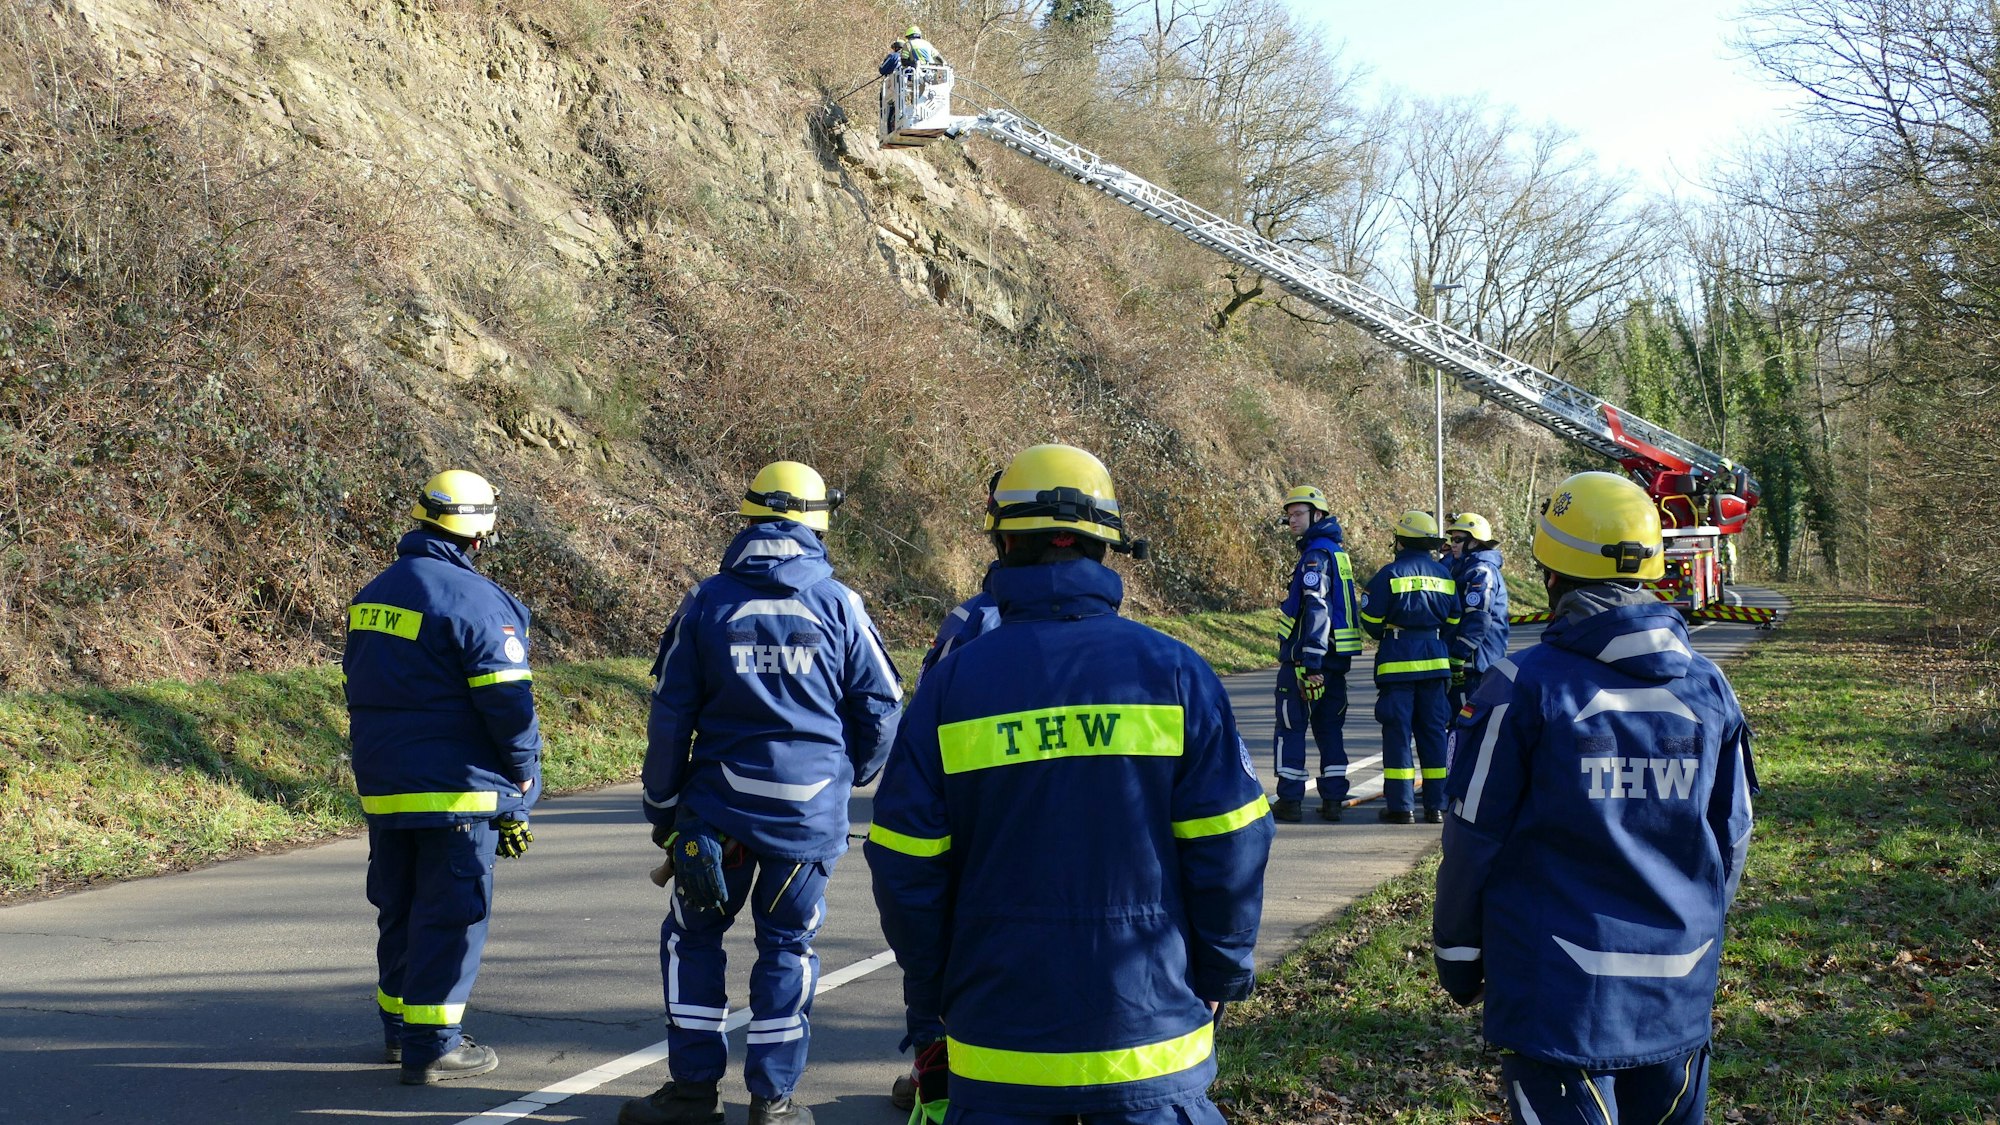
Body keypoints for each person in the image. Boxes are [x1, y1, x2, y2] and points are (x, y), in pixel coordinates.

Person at [867, 443, 1274, 1125]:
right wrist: (1221, 974)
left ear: (1002, 541)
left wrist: (933, 990)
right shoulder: (1177, 674)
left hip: (997, 1050)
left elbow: (905, 860)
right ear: (1107, 546)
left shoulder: (951, 687)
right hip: (1152, 1049)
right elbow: (1232, 844)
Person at [1433, 471, 1757, 1124]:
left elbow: (1472, 839)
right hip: (1679, 994)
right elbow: (1733, 837)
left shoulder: (1517, 689)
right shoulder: (1711, 689)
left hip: (1558, 1004)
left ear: (1552, 575)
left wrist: (1458, 957)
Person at [622, 461, 904, 1125]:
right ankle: (771, 1102)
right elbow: (884, 704)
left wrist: (663, 808)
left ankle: (692, 1093)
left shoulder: (708, 601)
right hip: (806, 822)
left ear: (747, 521)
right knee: (788, 948)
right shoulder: (840, 604)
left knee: (692, 938)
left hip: (716, 816)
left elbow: (669, 712)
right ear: (817, 525)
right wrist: (849, 776)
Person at [344, 468, 542, 1085]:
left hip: (384, 785)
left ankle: (400, 1033)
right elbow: (508, 706)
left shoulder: (374, 593)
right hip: (458, 787)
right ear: (480, 533)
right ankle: (435, 1046)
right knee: (452, 912)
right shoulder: (477, 600)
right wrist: (522, 783)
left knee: (397, 907)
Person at [1359, 511, 1459, 824]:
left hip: (1398, 663)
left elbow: (1372, 622)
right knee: (1434, 735)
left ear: (1401, 541)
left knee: (1398, 734)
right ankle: (1437, 806)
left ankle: (1402, 807)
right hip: (1435, 661)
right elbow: (1454, 620)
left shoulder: (1389, 574)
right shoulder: (1445, 575)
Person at [1272, 485, 1363, 823]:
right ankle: (1334, 800)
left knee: (1291, 728)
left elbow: (1317, 608)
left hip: (1306, 664)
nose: (1292, 520)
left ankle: (1291, 801)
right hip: (1335, 663)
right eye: (1289, 515)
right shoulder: (1336, 553)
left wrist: (1310, 664)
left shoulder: (1315, 556)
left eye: (1298, 514)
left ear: (1318, 515)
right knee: (1329, 731)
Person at [1443, 512, 1509, 719]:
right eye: (1451, 539)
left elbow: (1478, 618)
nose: (1452, 544)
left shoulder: (1481, 571)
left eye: (1458, 540)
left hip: (1475, 663)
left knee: (1466, 723)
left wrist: (1458, 654)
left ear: (1475, 542)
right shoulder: (1465, 566)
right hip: (1470, 661)